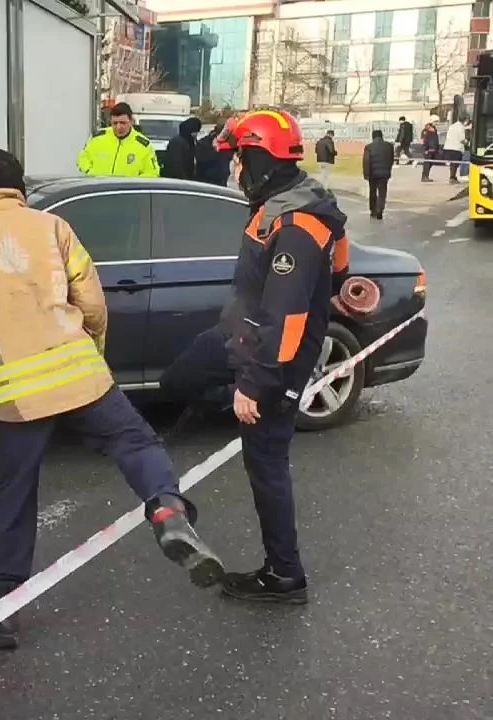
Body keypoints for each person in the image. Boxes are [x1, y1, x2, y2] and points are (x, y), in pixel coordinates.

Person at [0, 148, 223, 649]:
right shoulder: (54, 229)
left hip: (13, 394)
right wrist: (92, 355)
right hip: (80, 375)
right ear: (20, 187)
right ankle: (167, 509)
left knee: (13, 499)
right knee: (136, 442)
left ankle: (4, 611)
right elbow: (93, 300)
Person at [158, 109, 351, 605]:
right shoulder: (287, 201)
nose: (235, 171)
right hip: (241, 340)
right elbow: (339, 268)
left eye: (240, 160)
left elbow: (286, 318)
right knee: (177, 381)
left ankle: (285, 575)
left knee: (265, 463)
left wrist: (254, 385)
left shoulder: (296, 223)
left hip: (271, 362)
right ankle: (211, 410)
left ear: (261, 159)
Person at [78, 103, 161, 177]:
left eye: (122, 123)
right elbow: (82, 159)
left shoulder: (143, 145)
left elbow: (152, 173)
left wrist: (133, 185)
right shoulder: (97, 138)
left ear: (131, 121)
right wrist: (91, 173)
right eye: (115, 123)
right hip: (99, 190)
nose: (118, 127)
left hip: (125, 192)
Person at [362, 129, 394, 219]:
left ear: (373, 137)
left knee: (372, 192)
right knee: (382, 192)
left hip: (373, 174)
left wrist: (366, 174)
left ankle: (373, 210)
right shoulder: (389, 146)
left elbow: (366, 161)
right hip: (384, 173)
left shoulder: (369, 147)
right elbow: (391, 159)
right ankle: (380, 209)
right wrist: (388, 170)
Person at [444, 117, 467, 184]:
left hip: (448, 147)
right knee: (455, 164)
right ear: (465, 120)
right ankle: (452, 178)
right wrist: (468, 143)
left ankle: (453, 177)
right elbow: (462, 139)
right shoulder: (461, 127)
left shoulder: (452, 126)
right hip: (456, 148)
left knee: (452, 164)